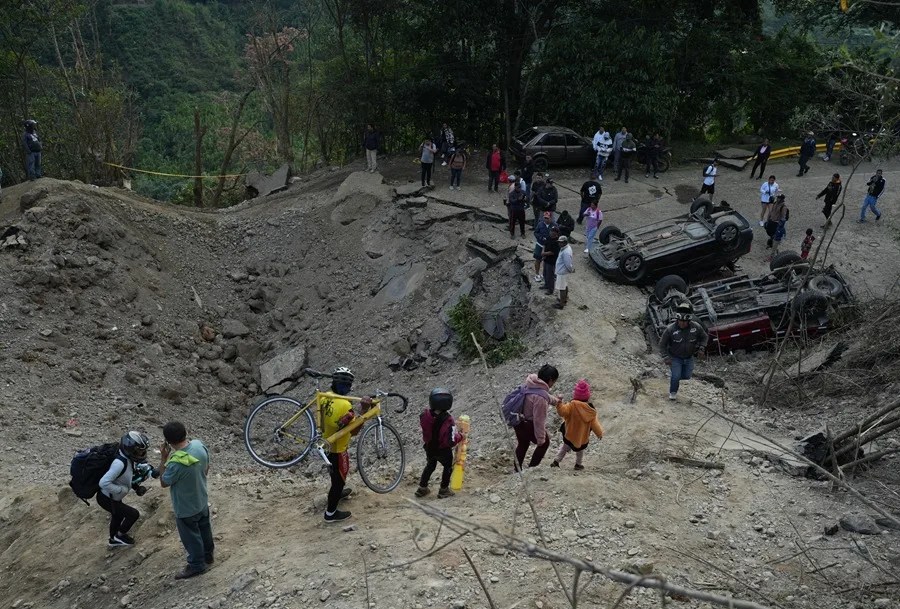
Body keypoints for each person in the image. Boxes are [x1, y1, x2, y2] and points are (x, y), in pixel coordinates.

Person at [158, 421, 213, 579]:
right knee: (205, 530)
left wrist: (163, 458)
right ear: (185, 432)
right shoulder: (199, 445)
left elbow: (163, 482)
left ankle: (196, 565)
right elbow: (206, 469)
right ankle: (208, 556)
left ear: (168, 442)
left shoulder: (175, 463)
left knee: (191, 537)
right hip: (201, 499)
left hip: (185, 508)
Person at [318, 366, 367, 523]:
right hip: (338, 449)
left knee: (334, 476)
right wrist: (364, 412)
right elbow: (353, 431)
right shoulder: (345, 405)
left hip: (326, 444)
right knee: (339, 480)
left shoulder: (326, 396)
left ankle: (337, 494)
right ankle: (330, 514)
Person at [99, 431, 149, 548]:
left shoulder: (127, 459)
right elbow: (103, 482)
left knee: (118, 515)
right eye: (139, 450)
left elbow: (125, 478)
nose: (141, 453)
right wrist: (120, 490)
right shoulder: (119, 463)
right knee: (133, 514)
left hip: (111, 497)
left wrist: (136, 487)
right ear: (130, 448)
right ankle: (119, 536)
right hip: (106, 498)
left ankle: (113, 538)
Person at [415, 388, 463, 499]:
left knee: (430, 466)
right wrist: (460, 436)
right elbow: (451, 440)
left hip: (430, 447)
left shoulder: (425, 415)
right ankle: (443, 489)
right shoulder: (448, 419)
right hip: (443, 449)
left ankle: (422, 488)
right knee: (447, 467)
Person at [513, 364, 561, 470]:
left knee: (522, 444)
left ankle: (517, 469)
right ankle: (532, 469)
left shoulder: (530, 384)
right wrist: (540, 439)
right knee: (544, 443)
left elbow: (546, 396)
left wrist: (556, 401)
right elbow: (539, 420)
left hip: (518, 421)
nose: (553, 384)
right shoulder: (540, 398)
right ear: (550, 380)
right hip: (528, 424)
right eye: (554, 381)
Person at [549, 380, 604, 470]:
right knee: (580, 451)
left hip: (569, 434)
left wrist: (559, 403)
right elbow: (595, 424)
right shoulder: (591, 410)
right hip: (582, 437)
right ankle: (578, 464)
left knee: (564, 448)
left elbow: (562, 412)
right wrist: (599, 434)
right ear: (587, 396)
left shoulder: (571, 405)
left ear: (576, 395)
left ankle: (556, 461)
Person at [659, 303, 707, 401]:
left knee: (687, 376)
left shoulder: (696, 327)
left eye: (685, 321)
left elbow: (704, 337)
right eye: (680, 321)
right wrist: (665, 357)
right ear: (677, 319)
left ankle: (674, 375)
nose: (682, 323)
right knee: (676, 376)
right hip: (675, 357)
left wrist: (702, 348)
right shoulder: (670, 329)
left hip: (689, 357)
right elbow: (662, 344)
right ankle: (673, 393)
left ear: (689, 320)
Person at [533, 211, 556, 283]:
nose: (546, 219)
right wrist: (540, 237)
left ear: (551, 218)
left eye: (547, 218)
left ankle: (548, 274)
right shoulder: (540, 224)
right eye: (545, 218)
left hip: (549, 246)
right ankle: (537, 274)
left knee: (549, 261)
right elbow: (535, 232)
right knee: (537, 259)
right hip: (540, 244)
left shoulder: (554, 225)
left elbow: (558, 234)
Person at [554, 235, 574, 310]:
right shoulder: (565, 248)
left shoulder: (566, 252)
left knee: (562, 288)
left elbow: (568, 264)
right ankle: (564, 300)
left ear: (565, 242)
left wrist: (570, 270)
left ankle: (561, 304)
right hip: (562, 271)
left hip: (562, 272)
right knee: (564, 286)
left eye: (561, 242)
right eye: (559, 242)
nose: (559, 244)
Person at [542, 226, 561, 294]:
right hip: (546, 259)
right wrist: (543, 253)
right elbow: (544, 245)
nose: (551, 232)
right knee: (545, 273)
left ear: (556, 233)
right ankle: (546, 285)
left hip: (551, 261)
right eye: (551, 231)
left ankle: (550, 289)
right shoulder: (548, 238)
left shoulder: (557, 242)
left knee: (550, 275)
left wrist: (544, 253)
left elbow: (553, 252)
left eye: (553, 231)